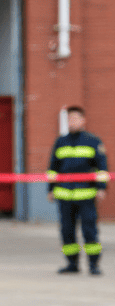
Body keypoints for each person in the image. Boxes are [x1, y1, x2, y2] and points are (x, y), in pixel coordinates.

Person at [48, 105, 108, 275]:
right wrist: (51, 189)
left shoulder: (93, 141)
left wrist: (101, 187)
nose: (71, 122)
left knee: (89, 230)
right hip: (64, 195)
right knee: (67, 231)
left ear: (83, 121)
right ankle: (72, 264)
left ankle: (94, 265)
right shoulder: (60, 141)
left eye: (74, 119)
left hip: (86, 195)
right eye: (69, 119)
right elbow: (53, 168)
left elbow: (102, 167)